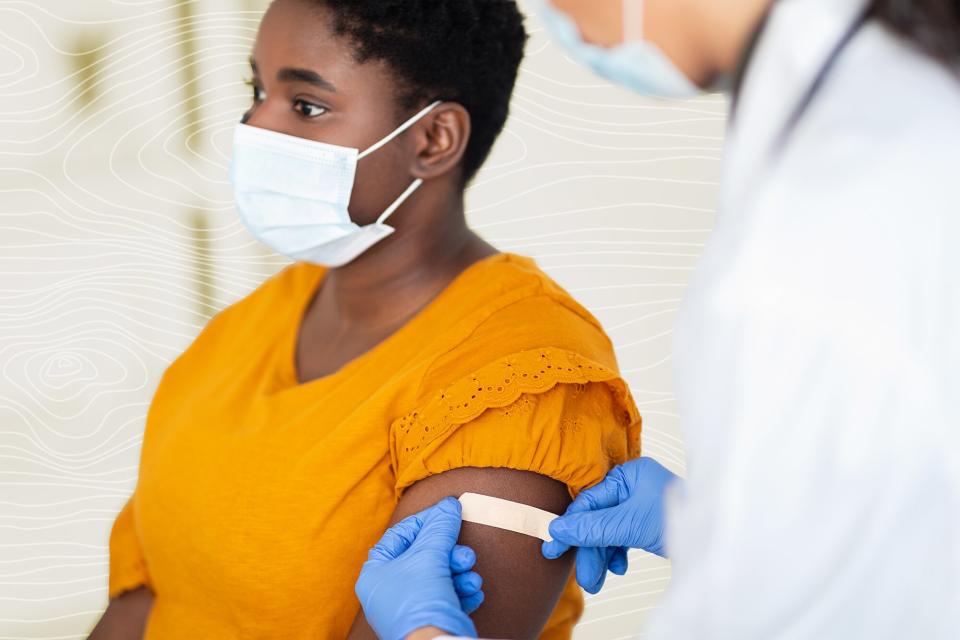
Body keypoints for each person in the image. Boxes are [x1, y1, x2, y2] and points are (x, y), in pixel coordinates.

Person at [355, 0, 960, 638]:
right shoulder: (889, 117)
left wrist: (427, 632)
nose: (551, 18)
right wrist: (704, 523)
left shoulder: (823, 220)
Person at [88, 1, 645, 639]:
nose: (254, 125)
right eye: (258, 89)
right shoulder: (245, 328)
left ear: (432, 140)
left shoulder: (519, 377)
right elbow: (144, 602)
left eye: (306, 105)